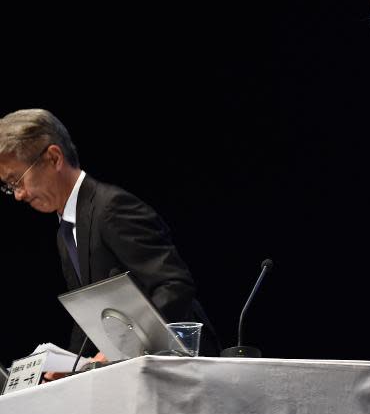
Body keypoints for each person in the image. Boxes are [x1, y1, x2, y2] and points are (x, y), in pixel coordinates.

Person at [0, 108, 219, 365]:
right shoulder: (67, 228)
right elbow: (88, 317)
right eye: (9, 187)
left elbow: (173, 285)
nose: (19, 195)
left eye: (17, 180)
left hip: (183, 364)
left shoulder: (111, 208)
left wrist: (124, 347)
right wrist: (71, 368)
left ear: (53, 158)